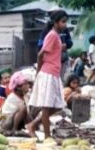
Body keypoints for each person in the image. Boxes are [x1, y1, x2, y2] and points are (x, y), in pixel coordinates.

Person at [28, 10, 69, 142]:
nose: (65, 24)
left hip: (54, 73)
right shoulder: (52, 35)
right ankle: (47, 136)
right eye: (63, 22)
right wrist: (39, 71)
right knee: (46, 106)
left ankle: (33, 124)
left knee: (58, 105)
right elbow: (41, 54)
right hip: (48, 73)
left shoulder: (56, 36)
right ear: (56, 22)